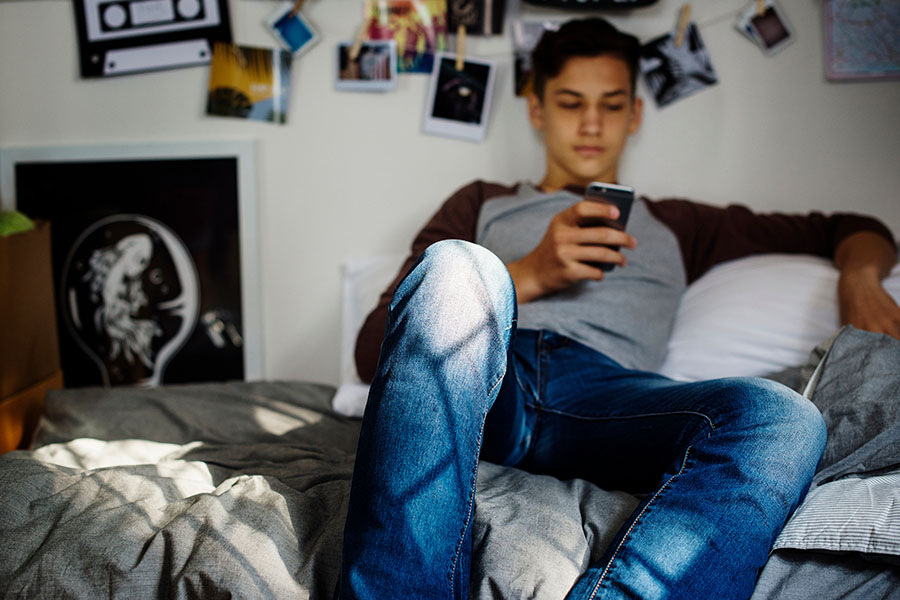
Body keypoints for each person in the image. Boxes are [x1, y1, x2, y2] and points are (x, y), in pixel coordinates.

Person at [337, 17, 900, 600]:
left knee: (785, 419)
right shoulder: (481, 201)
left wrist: (860, 278)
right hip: (486, 381)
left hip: (606, 399)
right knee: (457, 265)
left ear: (634, 114)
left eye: (609, 106)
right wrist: (529, 272)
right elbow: (371, 348)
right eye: (570, 102)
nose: (590, 124)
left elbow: (853, 227)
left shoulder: (681, 225)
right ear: (536, 109)